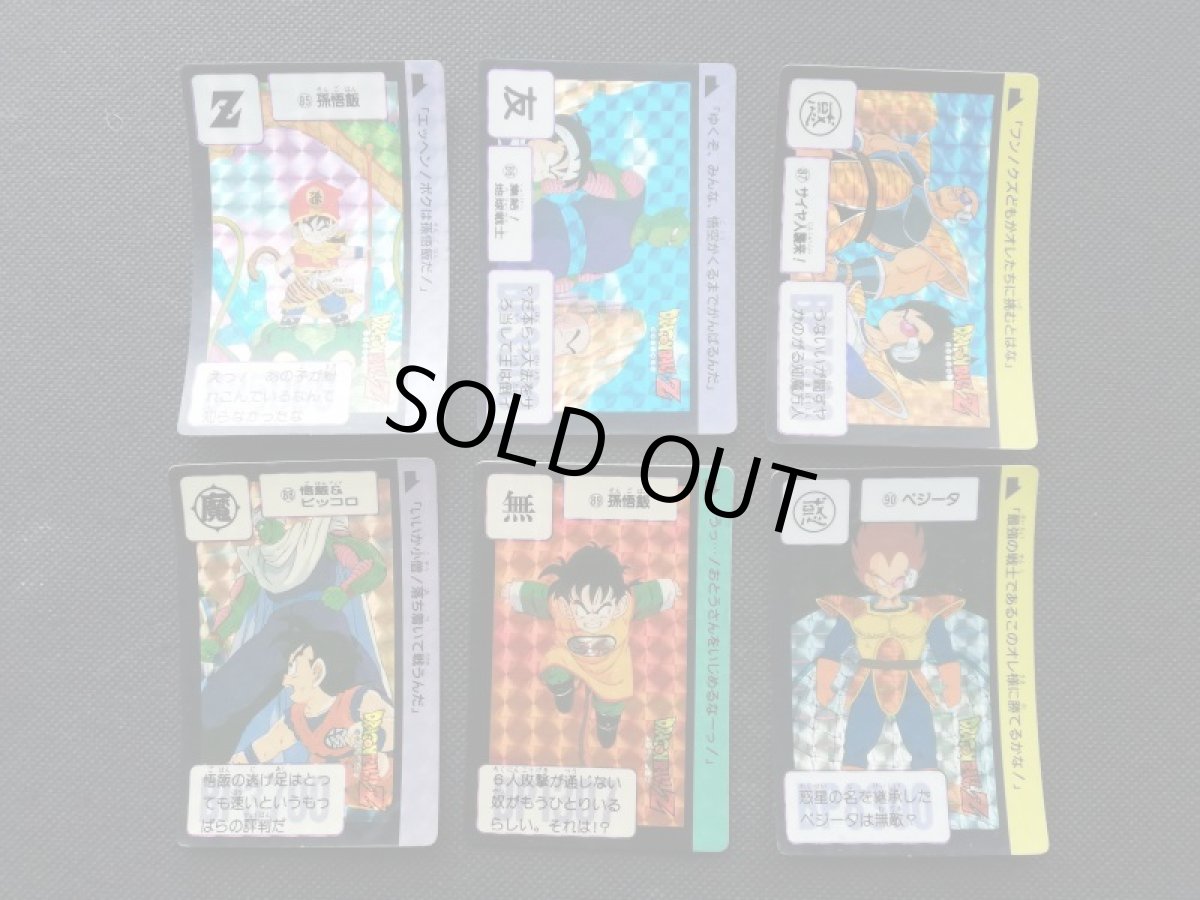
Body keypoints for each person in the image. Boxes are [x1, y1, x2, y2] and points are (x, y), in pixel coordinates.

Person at [814, 523, 963, 770]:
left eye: (898, 577)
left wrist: (952, 685)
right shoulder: (855, 612)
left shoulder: (926, 612)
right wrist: (823, 683)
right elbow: (833, 648)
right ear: (867, 577)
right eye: (881, 578)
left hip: (913, 685)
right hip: (867, 686)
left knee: (923, 746)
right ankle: (852, 786)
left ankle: (926, 786)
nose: (890, 584)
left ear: (911, 575)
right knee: (856, 746)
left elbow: (944, 651)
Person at [504, 545, 678, 748]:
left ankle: (607, 723)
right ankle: (563, 689)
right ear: (567, 602)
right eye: (582, 609)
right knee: (553, 667)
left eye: (602, 609)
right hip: (570, 657)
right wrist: (516, 592)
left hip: (610, 666)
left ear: (618, 604)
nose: (592, 618)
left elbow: (647, 595)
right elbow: (538, 596)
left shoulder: (626, 603)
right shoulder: (559, 603)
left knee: (611, 699)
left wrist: (667, 590)